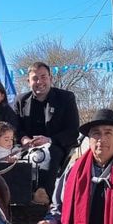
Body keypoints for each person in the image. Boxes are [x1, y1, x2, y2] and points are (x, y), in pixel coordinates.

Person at [14, 62, 80, 195]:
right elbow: (16, 128)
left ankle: (44, 197)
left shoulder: (66, 98)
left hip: (55, 147)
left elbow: (72, 131)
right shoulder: (21, 100)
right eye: (35, 78)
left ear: (51, 78)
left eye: (43, 77)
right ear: (28, 81)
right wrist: (24, 139)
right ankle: (18, 199)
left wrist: (49, 140)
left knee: (49, 155)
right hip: (26, 148)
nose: (39, 81)